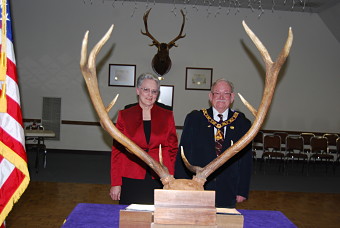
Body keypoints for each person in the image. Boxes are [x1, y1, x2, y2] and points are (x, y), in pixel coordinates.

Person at [174, 78, 252, 208]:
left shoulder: (242, 123)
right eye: (217, 93)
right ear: (210, 96)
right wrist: (181, 185)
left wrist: (242, 190)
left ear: (232, 97)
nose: (221, 97)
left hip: (228, 188)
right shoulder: (195, 119)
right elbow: (183, 154)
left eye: (226, 93)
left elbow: (246, 160)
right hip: (198, 187)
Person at [110, 73, 178, 205]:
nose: (150, 95)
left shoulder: (167, 115)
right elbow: (117, 153)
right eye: (146, 90)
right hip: (131, 174)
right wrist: (116, 183)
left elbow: (172, 149)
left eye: (154, 91)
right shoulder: (124, 115)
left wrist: (171, 177)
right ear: (138, 90)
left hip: (160, 175)